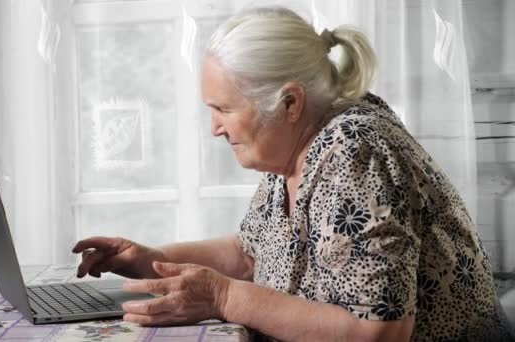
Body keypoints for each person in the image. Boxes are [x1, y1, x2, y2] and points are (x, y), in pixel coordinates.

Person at [72, 6, 514, 341]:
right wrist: (148, 258)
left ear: (289, 103)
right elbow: (250, 254)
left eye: (224, 109)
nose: (215, 129)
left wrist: (223, 298)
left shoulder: (354, 153)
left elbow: (380, 331)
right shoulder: (295, 146)